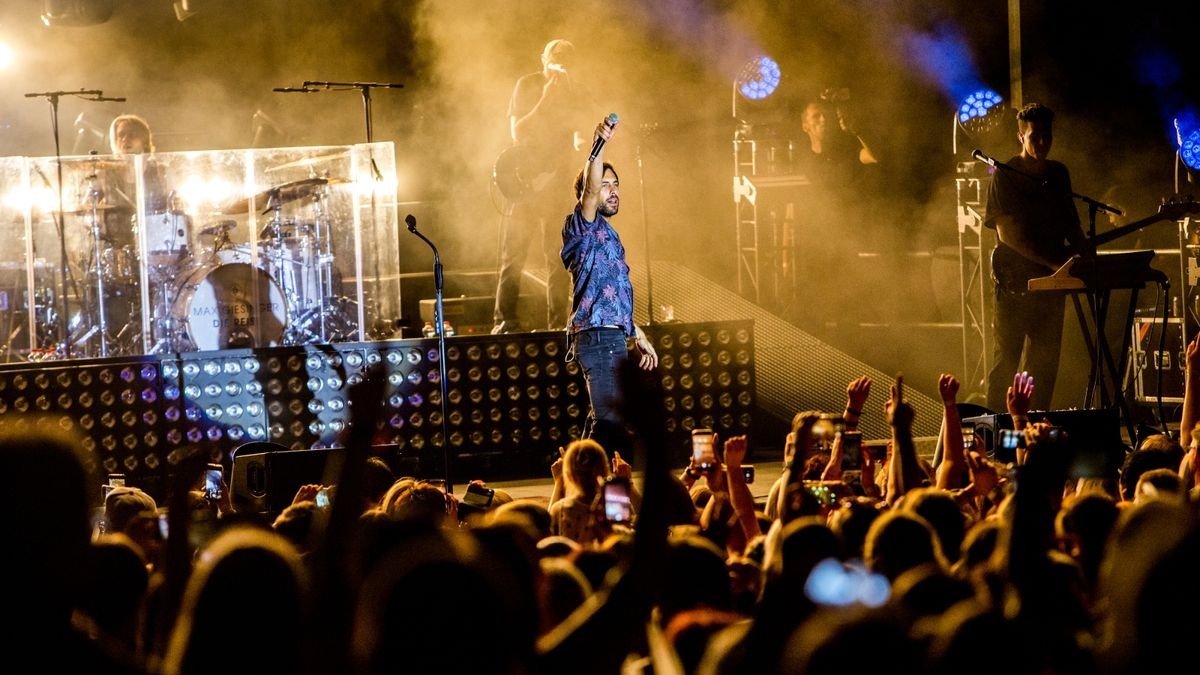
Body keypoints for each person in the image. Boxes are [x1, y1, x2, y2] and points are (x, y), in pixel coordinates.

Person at [561, 115, 657, 456]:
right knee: (609, 424)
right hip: (598, 338)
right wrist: (598, 145)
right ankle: (601, 493)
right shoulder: (582, 226)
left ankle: (575, 486)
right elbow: (589, 189)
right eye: (606, 184)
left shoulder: (610, 236)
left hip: (611, 335)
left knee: (603, 421)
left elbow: (611, 294)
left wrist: (637, 333)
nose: (613, 190)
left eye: (616, 184)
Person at [984, 103, 1088, 412]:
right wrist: (1054, 263)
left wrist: (1086, 254)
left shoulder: (1058, 174)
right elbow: (1009, 235)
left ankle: (1035, 429)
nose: (1042, 142)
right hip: (1015, 283)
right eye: (1034, 136)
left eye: (1047, 135)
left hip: (1052, 285)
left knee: (1044, 362)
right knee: (1007, 362)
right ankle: (992, 433)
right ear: (1020, 136)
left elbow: (1072, 223)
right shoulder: (1005, 175)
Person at [491, 39, 583, 334]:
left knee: (557, 257)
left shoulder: (573, 91)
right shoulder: (528, 85)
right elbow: (518, 132)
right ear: (543, 58)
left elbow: (576, 136)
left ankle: (558, 324)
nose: (560, 59)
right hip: (525, 183)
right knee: (513, 254)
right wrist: (546, 97)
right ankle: (504, 321)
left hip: (556, 183)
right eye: (555, 54)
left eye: (566, 56)